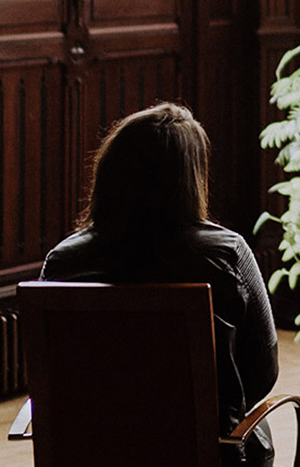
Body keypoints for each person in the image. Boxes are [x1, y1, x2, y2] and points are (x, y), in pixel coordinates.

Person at [41, 102, 278, 466]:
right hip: (206, 455)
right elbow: (263, 370)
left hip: (96, 452)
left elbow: (50, 375)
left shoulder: (63, 261)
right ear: (191, 177)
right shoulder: (227, 255)